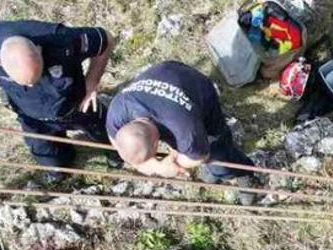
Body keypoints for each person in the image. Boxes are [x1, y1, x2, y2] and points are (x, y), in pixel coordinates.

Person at [0, 20, 118, 179]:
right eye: (25, 83)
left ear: (39, 50)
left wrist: (91, 82)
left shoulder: (63, 39)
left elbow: (106, 40)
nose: (31, 85)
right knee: (53, 164)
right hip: (32, 117)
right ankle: (59, 168)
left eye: (36, 78)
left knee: (110, 136)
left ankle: (114, 154)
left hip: (76, 105)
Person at [106, 61, 256, 203]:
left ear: (156, 143)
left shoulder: (183, 130)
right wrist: (155, 167)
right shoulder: (117, 110)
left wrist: (169, 167)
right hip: (166, 72)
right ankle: (216, 171)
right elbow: (116, 142)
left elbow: (199, 156)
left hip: (197, 86)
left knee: (216, 147)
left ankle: (243, 173)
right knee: (201, 151)